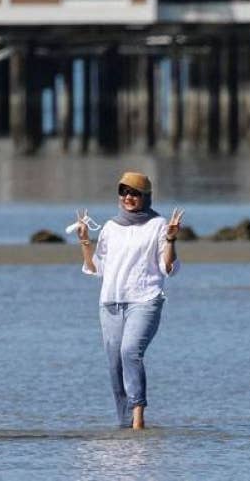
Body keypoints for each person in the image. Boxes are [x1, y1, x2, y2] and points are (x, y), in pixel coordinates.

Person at [76, 171, 184, 430]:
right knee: (114, 364)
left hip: (145, 299)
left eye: (135, 193)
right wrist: (84, 241)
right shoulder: (111, 227)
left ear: (146, 197)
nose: (128, 197)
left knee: (130, 352)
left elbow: (168, 267)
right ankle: (125, 425)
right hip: (111, 303)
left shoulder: (158, 225)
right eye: (124, 192)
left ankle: (138, 419)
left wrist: (170, 238)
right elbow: (96, 268)